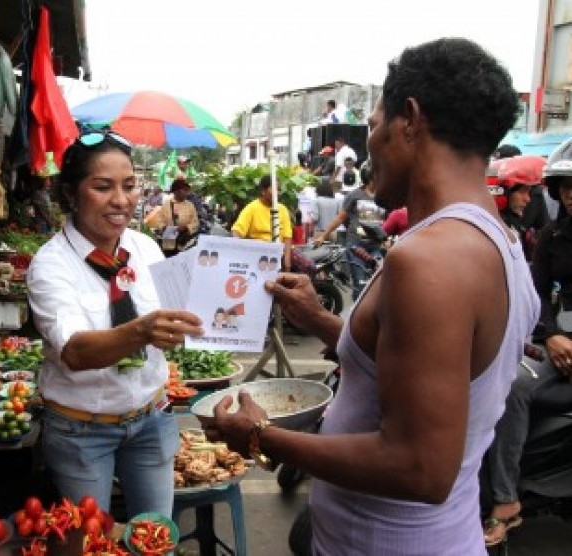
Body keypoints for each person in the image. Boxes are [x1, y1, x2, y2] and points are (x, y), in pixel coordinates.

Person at [204, 38, 539, 555]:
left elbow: (420, 467)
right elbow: (427, 367)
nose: (368, 148)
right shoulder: (503, 244)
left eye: (373, 127)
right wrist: (319, 319)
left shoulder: (430, 259)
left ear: (410, 118)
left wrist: (258, 436)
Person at [26, 130, 203, 520]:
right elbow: (74, 351)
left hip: (151, 418)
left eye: (129, 186)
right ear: (71, 194)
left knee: (154, 537)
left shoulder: (144, 248)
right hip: (81, 432)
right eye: (103, 187)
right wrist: (141, 330)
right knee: (90, 543)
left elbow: (179, 316)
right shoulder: (51, 265)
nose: (121, 200)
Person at [483, 139, 572, 546]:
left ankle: (505, 503)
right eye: (565, 185)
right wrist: (551, 334)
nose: (570, 193)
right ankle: (501, 494)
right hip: (556, 344)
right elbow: (537, 297)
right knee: (509, 381)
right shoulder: (551, 237)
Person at [314, 160, 386, 300]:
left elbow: (390, 221)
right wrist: (323, 235)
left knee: (378, 283)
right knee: (360, 284)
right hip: (356, 247)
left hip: (377, 247)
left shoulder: (383, 197)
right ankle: (357, 317)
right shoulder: (354, 196)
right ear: (370, 178)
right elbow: (340, 218)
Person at [230, 174, 293, 270]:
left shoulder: (283, 209)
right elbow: (237, 231)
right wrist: (240, 249)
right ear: (263, 191)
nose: (277, 193)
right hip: (258, 254)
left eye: (279, 190)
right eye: (274, 189)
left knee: (308, 265)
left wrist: (287, 259)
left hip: (280, 252)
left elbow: (287, 237)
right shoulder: (252, 208)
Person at [496, 155, 547, 261]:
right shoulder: (491, 231)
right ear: (503, 192)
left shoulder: (512, 223)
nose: (528, 199)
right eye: (522, 192)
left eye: (528, 192)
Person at [151, 178, 199, 257]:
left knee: (181, 260)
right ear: (176, 191)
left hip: (183, 240)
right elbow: (159, 221)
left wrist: (186, 228)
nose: (187, 193)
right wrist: (164, 228)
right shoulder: (166, 205)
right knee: (168, 260)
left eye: (187, 190)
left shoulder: (190, 205)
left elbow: (195, 223)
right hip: (168, 240)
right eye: (184, 190)